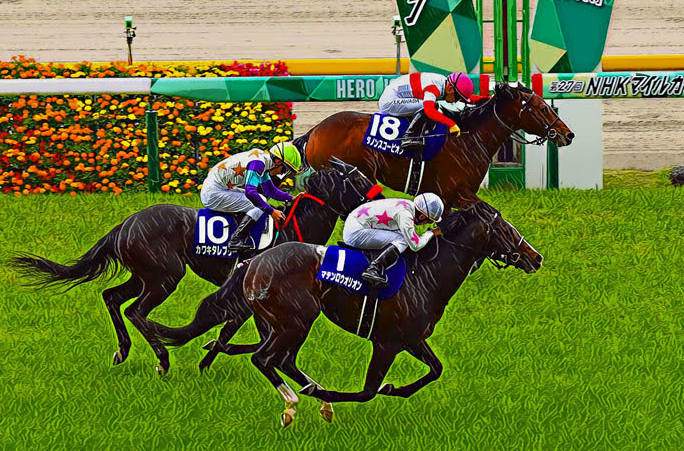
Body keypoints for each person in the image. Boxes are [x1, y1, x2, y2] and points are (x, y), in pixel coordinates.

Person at [199, 141, 302, 252]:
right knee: (260, 201)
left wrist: (292, 198)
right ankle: (235, 239)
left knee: (261, 199)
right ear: (278, 161)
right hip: (212, 193)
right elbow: (250, 193)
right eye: (284, 169)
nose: (281, 174)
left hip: (218, 188)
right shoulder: (258, 164)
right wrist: (271, 211)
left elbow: (270, 190)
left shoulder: (264, 161)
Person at [342, 193, 445, 286]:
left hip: (356, 222)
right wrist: (431, 233)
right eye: (429, 221)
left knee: (400, 234)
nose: (427, 224)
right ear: (422, 216)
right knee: (403, 240)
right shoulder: (406, 215)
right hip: (355, 233)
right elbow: (415, 245)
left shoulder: (408, 204)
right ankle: (374, 269)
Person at [378, 71, 477, 160]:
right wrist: (451, 124)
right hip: (389, 102)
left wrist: (484, 98)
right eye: (458, 98)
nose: (456, 101)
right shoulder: (434, 88)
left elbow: (468, 97)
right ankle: (409, 138)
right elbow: (428, 110)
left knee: (432, 106)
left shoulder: (444, 83)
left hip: (397, 96)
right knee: (430, 106)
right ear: (450, 89)